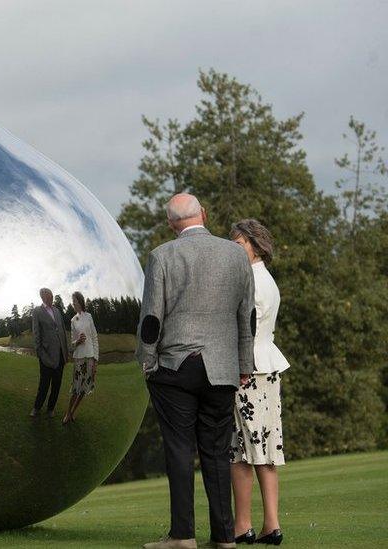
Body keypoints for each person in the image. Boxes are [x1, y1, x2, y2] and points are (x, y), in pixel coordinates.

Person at [137, 193, 255, 549]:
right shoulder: (236, 254)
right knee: (217, 452)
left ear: (172, 224)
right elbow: (247, 316)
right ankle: (224, 537)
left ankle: (183, 536)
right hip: (223, 368)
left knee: (179, 449)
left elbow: (151, 318)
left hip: (175, 366)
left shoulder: (161, 256)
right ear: (203, 214)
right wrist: (244, 364)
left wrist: (146, 361)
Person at [228, 219, 289, 546]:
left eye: (239, 244)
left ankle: (243, 525)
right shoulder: (267, 279)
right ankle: (271, 524)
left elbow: (244, 328)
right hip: (266, 369)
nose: (235, 249)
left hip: (248, 370)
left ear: (254, 244)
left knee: (239, 452)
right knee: (265, 448)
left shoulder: (249, 280)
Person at [30, 288, 68, 418]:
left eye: (51, 295)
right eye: (47, 295)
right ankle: (37, 407)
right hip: (46, 355)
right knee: (44, 385)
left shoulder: (57, 311)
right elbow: (36, 333)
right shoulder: (37, 311)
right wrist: (39, 352)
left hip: (60, 355)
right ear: (42, 297)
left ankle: (51, 409)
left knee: (57, 385)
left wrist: (65, 353)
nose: (50, 297)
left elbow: (62, 330)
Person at [63, 291, 98, 424]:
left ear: (80, 301)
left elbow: (94, 338)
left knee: (84, 389)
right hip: (79, 358)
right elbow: (72, 343)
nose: (73, 303)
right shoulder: (73, 320)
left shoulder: (89, 316)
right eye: (72, 301)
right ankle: (67, 412)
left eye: (75, 300)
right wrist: (77, 341)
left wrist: (95, 360)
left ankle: (72, 412)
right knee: (76, 388)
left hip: (90, 357)